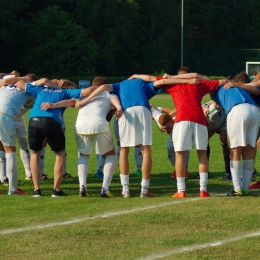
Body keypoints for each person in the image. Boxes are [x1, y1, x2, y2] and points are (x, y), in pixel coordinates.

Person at [75, 77, 195, 198]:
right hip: (143, 109)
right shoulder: (144, 83)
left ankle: (125, 189)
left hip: (126, 110)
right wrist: (187, 80)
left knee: (123, 149)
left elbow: (103, 87)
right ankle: (144, 189)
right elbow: (163, 82)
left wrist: (86, 100)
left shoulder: (119, 84)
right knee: (146, 150)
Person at [128, 72, 227, 198]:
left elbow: (150, 78)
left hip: (182, 120)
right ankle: (203, 190)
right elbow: (221, 81)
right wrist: (230, 83)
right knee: (202, 154)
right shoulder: (199, 84)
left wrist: (136, 75)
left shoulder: (172, 84)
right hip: (199, 120)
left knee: (180, 155)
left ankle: (181, 191)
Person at [15, 77, 101, 197]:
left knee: (35, 154)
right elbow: (88, 91)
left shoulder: (40, 90)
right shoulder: (65, 92)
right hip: (51, 122)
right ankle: (56, 190)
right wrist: (104, 87)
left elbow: (19, 83)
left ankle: (36, 190)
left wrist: (43, 83)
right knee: (59, 154)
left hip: (33, 121)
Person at [42, 76, 122, 197]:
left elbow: (72, 96)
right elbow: (116, 101)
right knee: (110, 154)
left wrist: (53, 104)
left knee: (83, 155)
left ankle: (82, 187)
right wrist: (119, 109)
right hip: (99, 124)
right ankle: (104, 189)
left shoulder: (83, 94)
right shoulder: (108, 94)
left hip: (80, 125)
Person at [212, 71, 260, 196]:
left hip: (238, 110)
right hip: (254, 110)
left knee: (235, 150)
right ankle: (245, 187)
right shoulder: (239, 87)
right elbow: (257, 91)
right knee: (249, 149)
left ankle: (237, 187)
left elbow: (215, 102)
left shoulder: (216, 89)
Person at [0, 74, 38, 195]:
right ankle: (12, 189)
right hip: (4, 113)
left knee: (1, 147)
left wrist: (19, 79)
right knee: (10, 150)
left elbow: (3, 81)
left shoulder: (7, 83)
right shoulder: (30, 87)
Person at [150, 105, 190, 178]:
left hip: (183, 134)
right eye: (164, 129)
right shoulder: (160, 121)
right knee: (170, 149)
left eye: (167, 128)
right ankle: (178, 168)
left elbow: (181, 108)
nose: (166, 131)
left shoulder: (179, 122)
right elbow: (159, 109)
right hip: (172, 136)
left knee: (183, 151)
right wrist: (151, 107)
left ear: (171, 122)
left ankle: (185, 170)